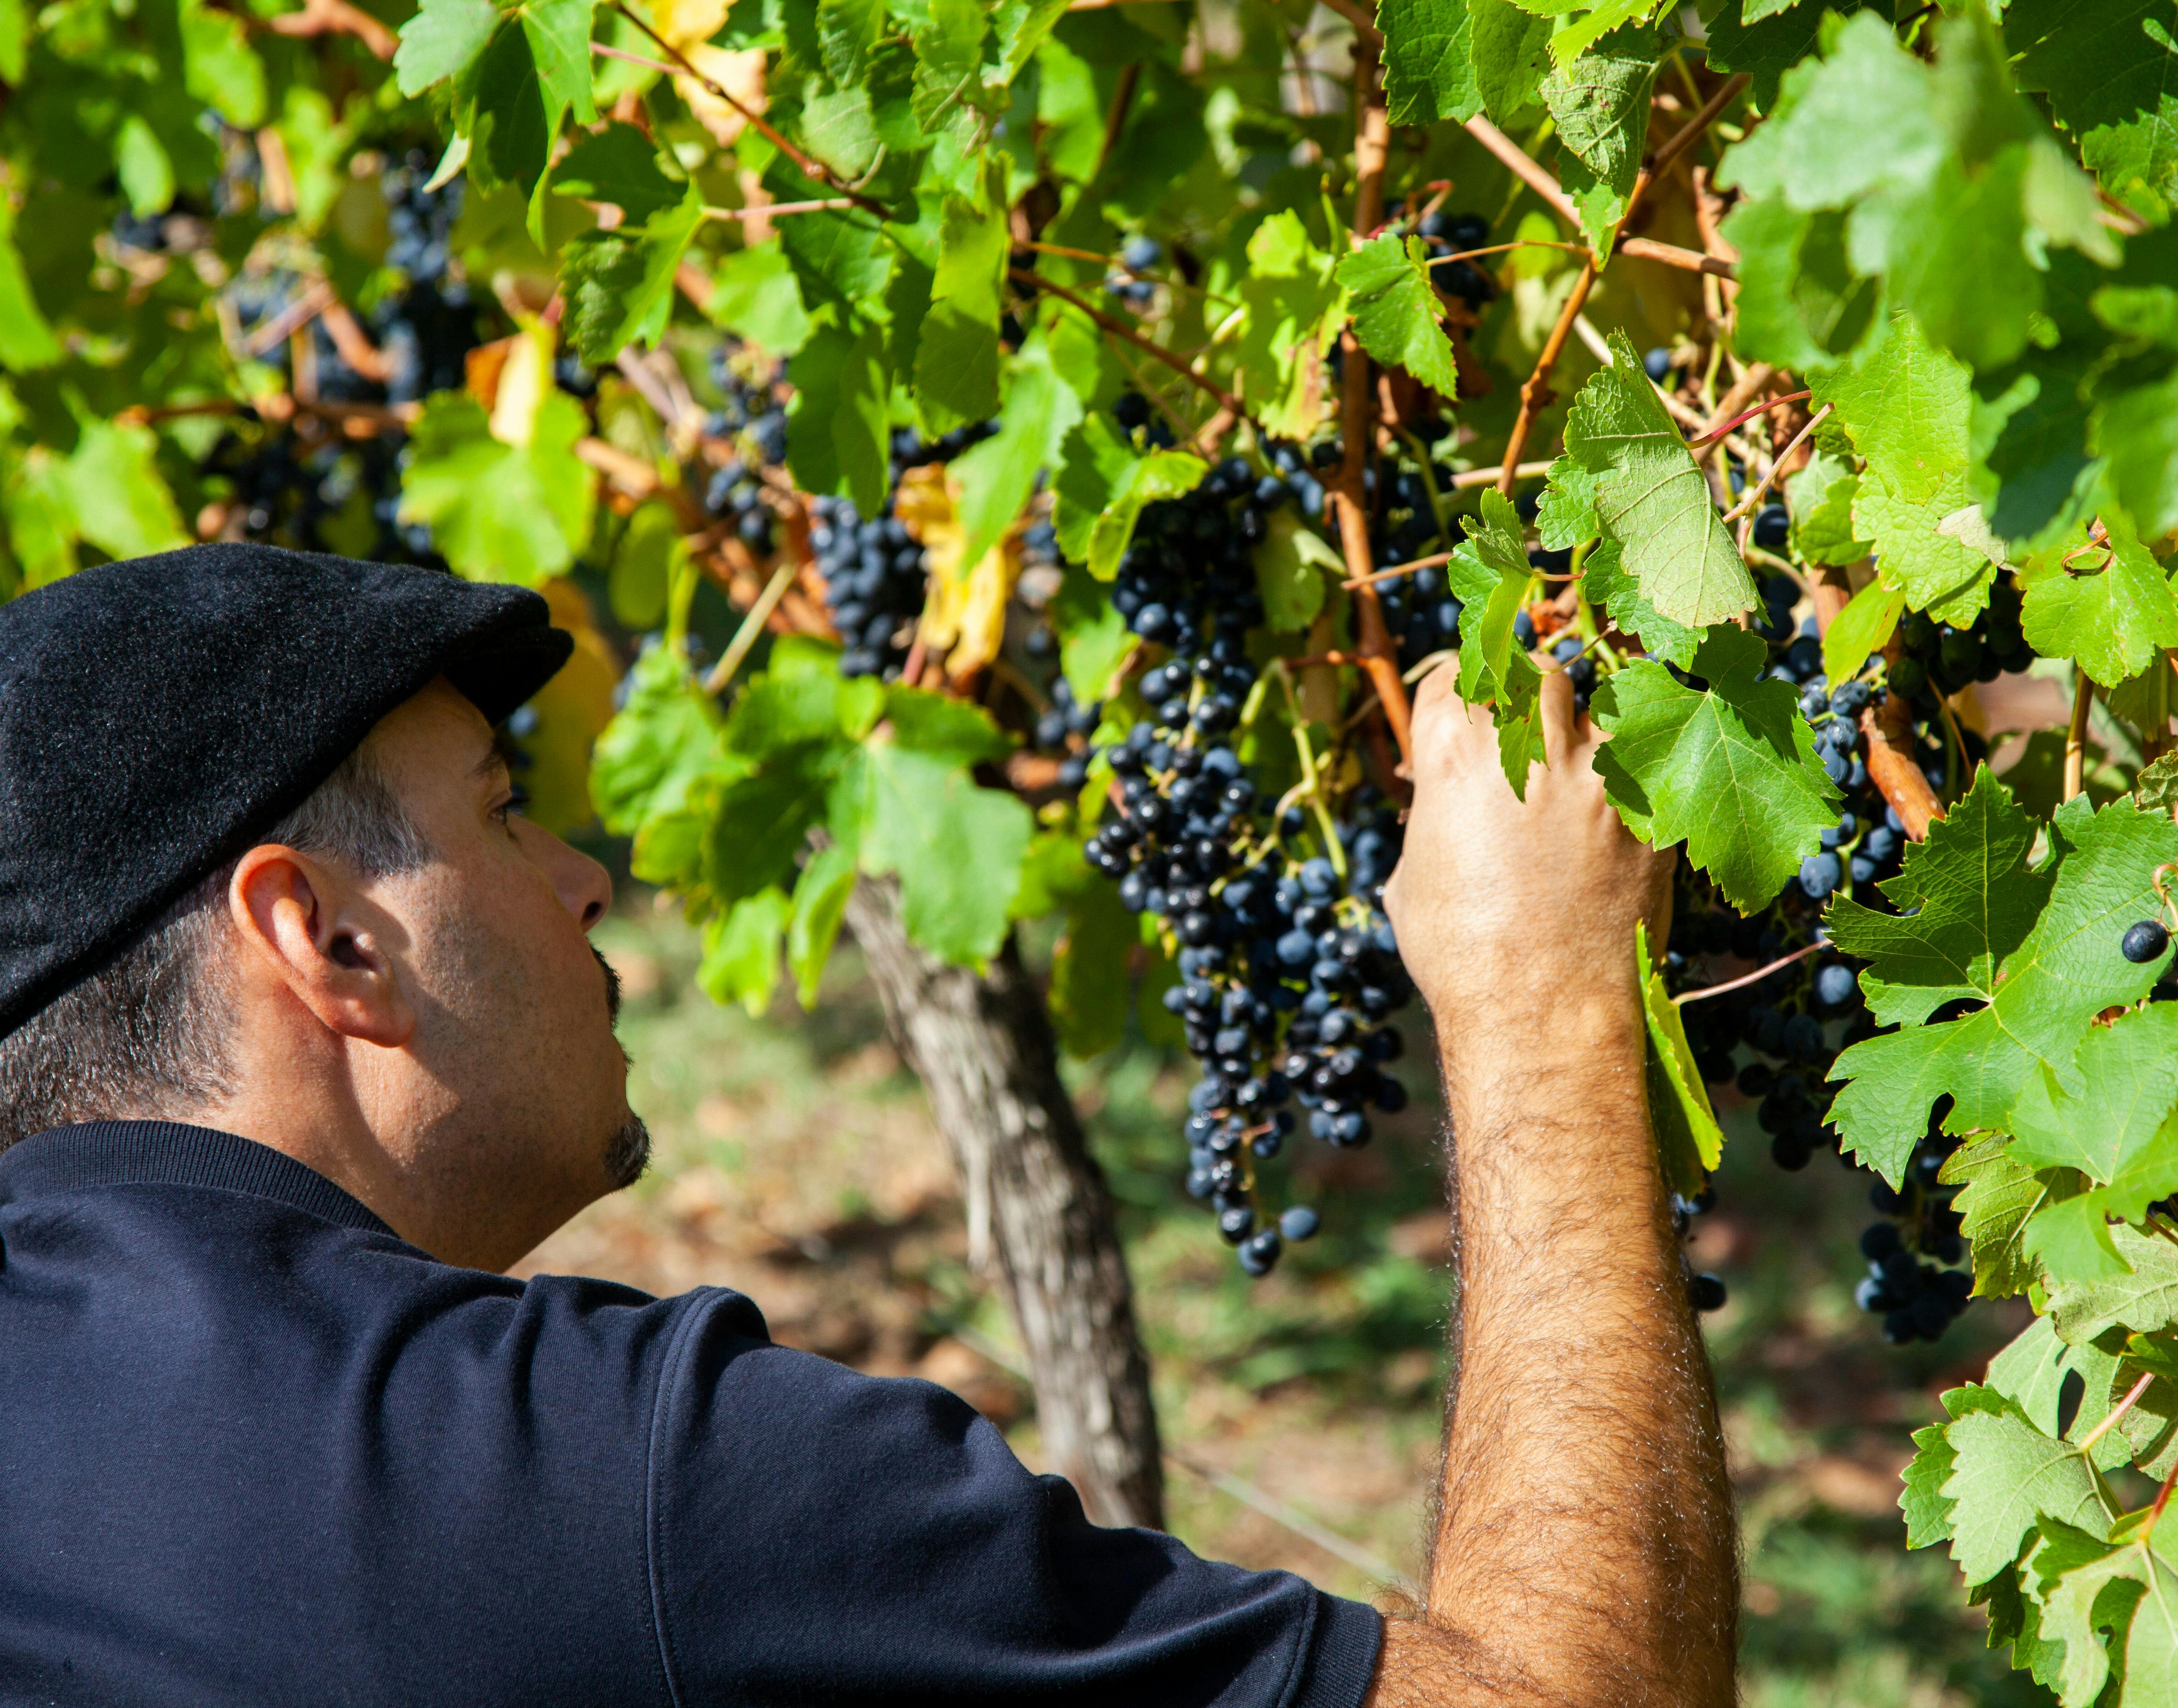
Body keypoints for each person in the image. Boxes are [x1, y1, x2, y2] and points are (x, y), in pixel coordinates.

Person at [0, 543, 1736, 1707]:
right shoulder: (627, 1482)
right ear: (325, 939)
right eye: (508, 814)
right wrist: (1541, 1006)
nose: (585, 877)